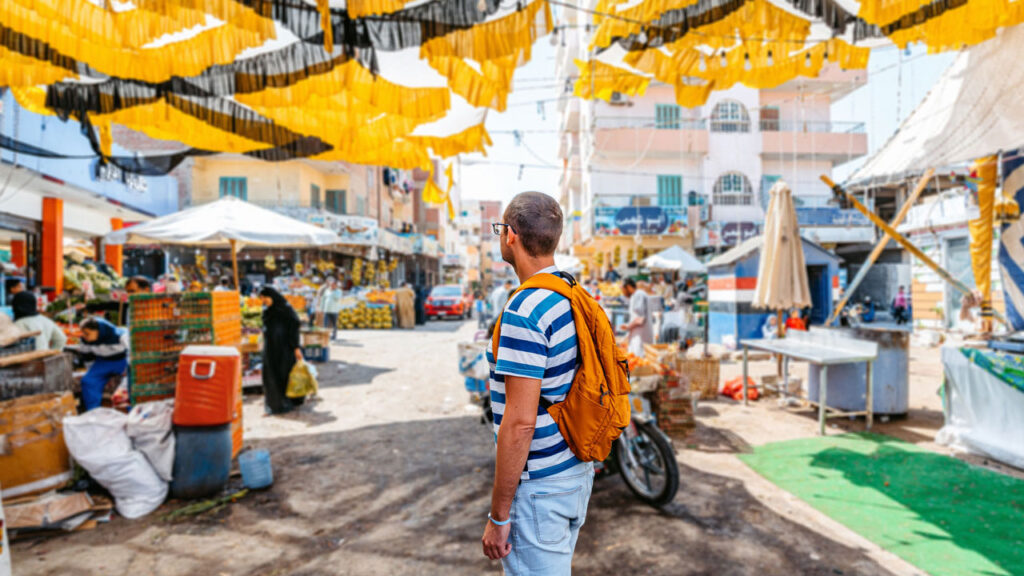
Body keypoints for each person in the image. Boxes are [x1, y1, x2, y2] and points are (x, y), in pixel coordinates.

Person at [482, 192, 593, 573]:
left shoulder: (524, 310)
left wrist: (498, 516)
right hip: (575, 470)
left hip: (539, 486)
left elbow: (520, 422)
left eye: (500, 229)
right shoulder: (572, 294)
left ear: (510, 235)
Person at [259, 287, 305, 415]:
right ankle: (275, 404)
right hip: (271, 348)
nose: (263, 301)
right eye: (261, 298)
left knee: (285, 374)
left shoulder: (286, 309)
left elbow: (294, 327)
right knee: (271, 375)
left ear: (272, 296)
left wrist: (296, 347)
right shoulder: (268, 310)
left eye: (264, 298)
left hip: (284, 348)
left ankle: (289, 401)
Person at [76, 317, 128, 411]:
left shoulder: (120, 335)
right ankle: (93, 411)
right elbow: (88, 357)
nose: (84, 336)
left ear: (98, 331)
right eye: (83, 333)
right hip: (103, 362)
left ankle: (130, 410)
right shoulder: (85, 341)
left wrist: (128, 369)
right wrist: (92, 371)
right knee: (88, 380)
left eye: (87, 333)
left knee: (130, 381)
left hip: (123, 360)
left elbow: (132, 353)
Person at [618, 278, 654, 357]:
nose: (623, 292)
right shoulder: (637, 295)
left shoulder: (638, 295)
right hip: (638, 336)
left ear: (628, 287)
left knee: (639, 360)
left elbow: (640, 319)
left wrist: (628, 326)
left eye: (623, 289)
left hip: (641, 337)